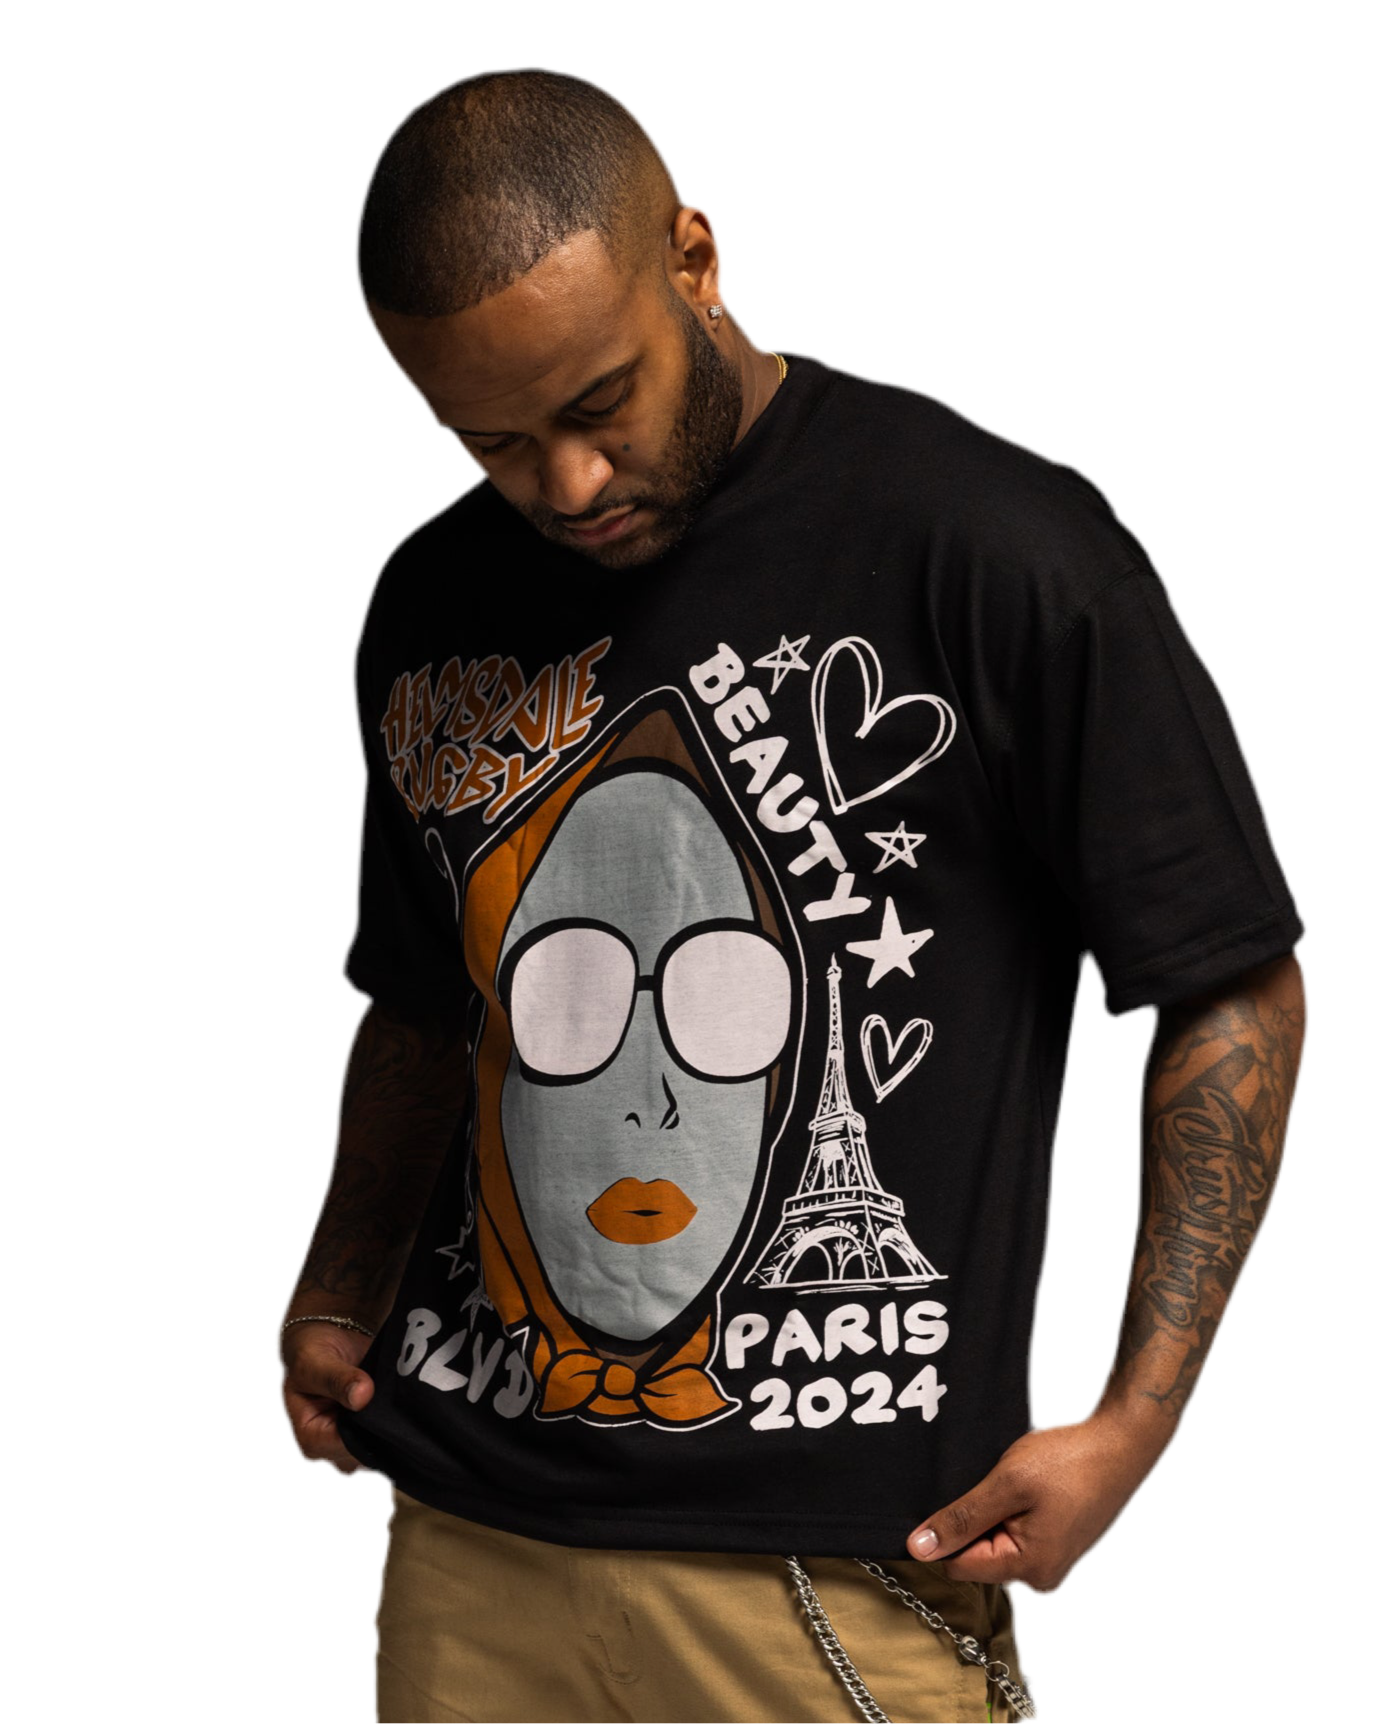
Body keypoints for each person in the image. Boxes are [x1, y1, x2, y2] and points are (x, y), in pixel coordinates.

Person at [279, 68, 1306, 1724]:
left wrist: (1136, 1419)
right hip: (471, 1543)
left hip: (836, 1571)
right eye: (494, 439)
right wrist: (342, 1280)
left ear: (691, 258)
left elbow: (1228, 979)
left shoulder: (992, 549)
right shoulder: (433, 598)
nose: (566, 481)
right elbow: (425, 1000)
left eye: (600, 401)